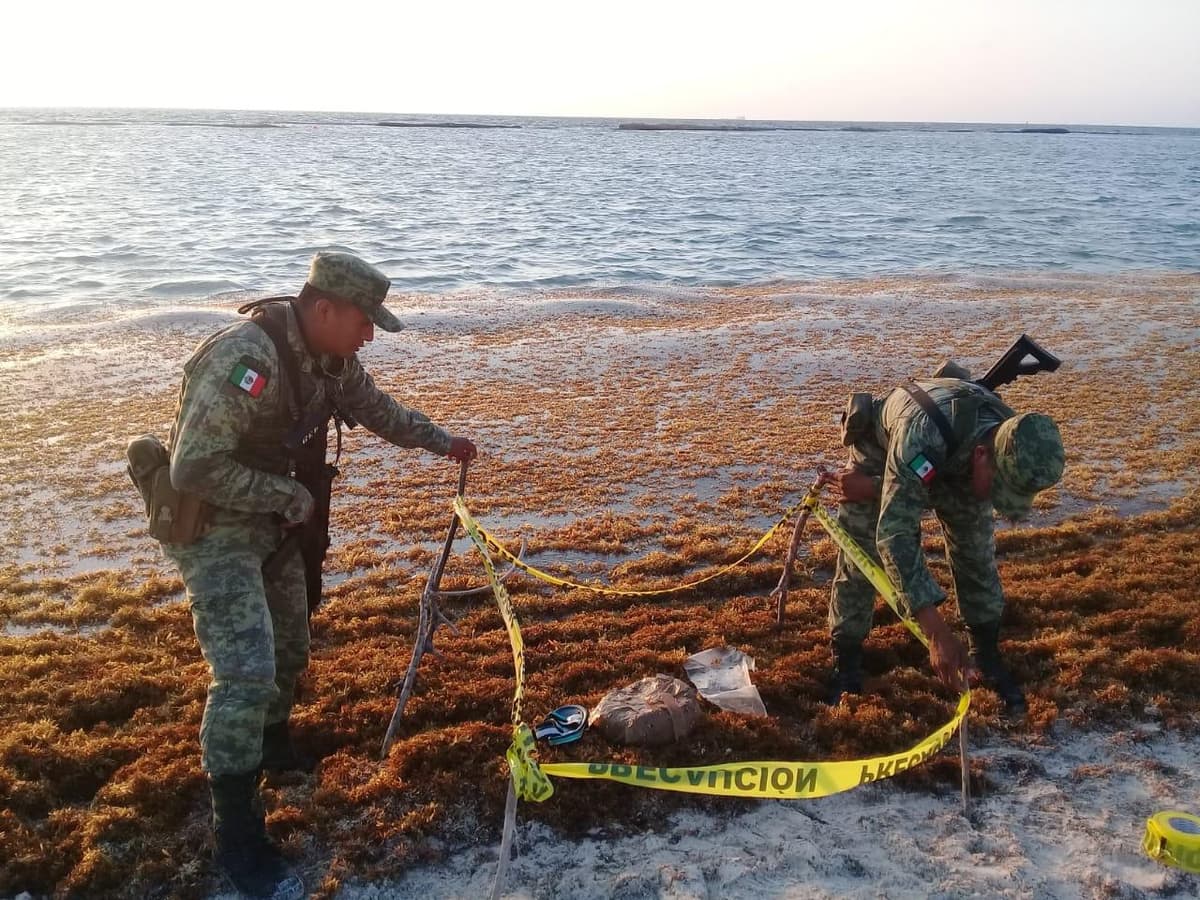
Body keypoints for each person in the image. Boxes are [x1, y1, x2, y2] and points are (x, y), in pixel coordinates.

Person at [161, 251, 476, 899]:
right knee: (245, 673)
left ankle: (271, 748)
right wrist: (286, 497)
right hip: (215, 527)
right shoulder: (245, 361)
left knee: (292, 647)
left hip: (274, 523)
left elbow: (377, 407)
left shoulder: (329, 361)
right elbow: (191, 468)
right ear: (323, 308)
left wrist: (443, 441)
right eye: (364, 321)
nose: (368, 335)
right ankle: (238, 832)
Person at [819, 371, 1064, 716]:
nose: (995, 501)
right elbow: (895, 534)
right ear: (981, 455)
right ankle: (845, 664)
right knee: (861, 555)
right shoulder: (922, 436)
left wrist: (880, 488)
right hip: (886, 448)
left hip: (942, 459)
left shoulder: (1015, 437)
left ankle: (987, 657)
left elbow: (941, 489)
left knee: (975, 548)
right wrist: (936, 633)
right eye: (997, 489)